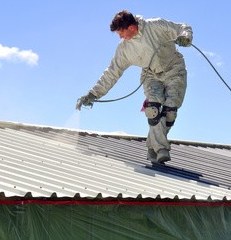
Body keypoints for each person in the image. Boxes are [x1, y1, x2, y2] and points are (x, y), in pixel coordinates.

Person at [76, 10, 193, 163]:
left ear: (131, 27)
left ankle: (152, 145)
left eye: (121, 33)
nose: (120, 37)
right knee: (153, 110)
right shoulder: (124, 49)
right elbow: (112, 72)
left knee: (170, 111)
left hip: (174, 69)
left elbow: (183, 27)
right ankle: (161, 149)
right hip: (150, 74)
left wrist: (185, 37)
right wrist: (93, 94)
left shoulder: (155, 25)